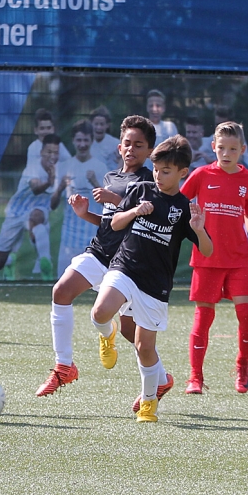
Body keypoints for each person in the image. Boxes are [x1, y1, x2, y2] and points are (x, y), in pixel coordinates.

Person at [35, 115, 162, 397]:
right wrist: (85, 214)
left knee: (132, 333)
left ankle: (162, 378)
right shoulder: (111, 178)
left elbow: (145, 218)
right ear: (119, 147)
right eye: (127, 143)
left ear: (150, 151)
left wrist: (115, 200)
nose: (131, 149)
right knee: (61, 291)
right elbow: (111, 223)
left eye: (139, 145)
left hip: (129, 264)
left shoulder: (149, 182)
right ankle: (64, 366)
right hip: (100, 252)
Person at [89, 135, 213, 422]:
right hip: (125, 267)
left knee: (145, 347)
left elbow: (207, 251)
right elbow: (115, 223)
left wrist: (199, 229)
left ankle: (148, 402)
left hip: (155, 284)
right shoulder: (141, 189)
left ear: (183, 173)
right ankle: (107, 335)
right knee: (100, 312)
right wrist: (134, 211)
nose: (158, 175)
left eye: (165, 171)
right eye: (156, 169)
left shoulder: (184, 207)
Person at [179, 121, 248, 396]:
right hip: (206, 258)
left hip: (238, 259)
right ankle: (195, 377)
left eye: (233, 149)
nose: (226, 154)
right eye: (222, 148)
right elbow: (178, 202)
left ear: (242, 150)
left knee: (247, 315)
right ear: (213, 146)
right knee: (203, 318)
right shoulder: (201, 174)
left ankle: (242, 364)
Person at [0, 109, 70, 280]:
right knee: (1, 260)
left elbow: (69, 162)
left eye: (48, 128)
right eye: (42, 128)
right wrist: (50, 181)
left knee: (38, 221)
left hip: (40, 203)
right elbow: (35, 184)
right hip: (21, 205)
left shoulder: (59, 148)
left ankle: (45, 266)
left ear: (53, 129)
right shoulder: (33, 150)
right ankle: (10, 261)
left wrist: (63, 182)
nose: (46, 131)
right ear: (36, 131)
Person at [51, 121, 106, 279]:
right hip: (69, 239)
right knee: (63, 283)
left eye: (86, 140)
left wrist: (95, 183)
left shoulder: (101, 167)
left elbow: (109, 205)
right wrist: (60, 187)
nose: (82, 144)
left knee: (97, 284)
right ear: (73, 141)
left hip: (93, 238)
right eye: (79, 140)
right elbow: (53, 205)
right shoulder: (64, 167)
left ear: (91, 141)